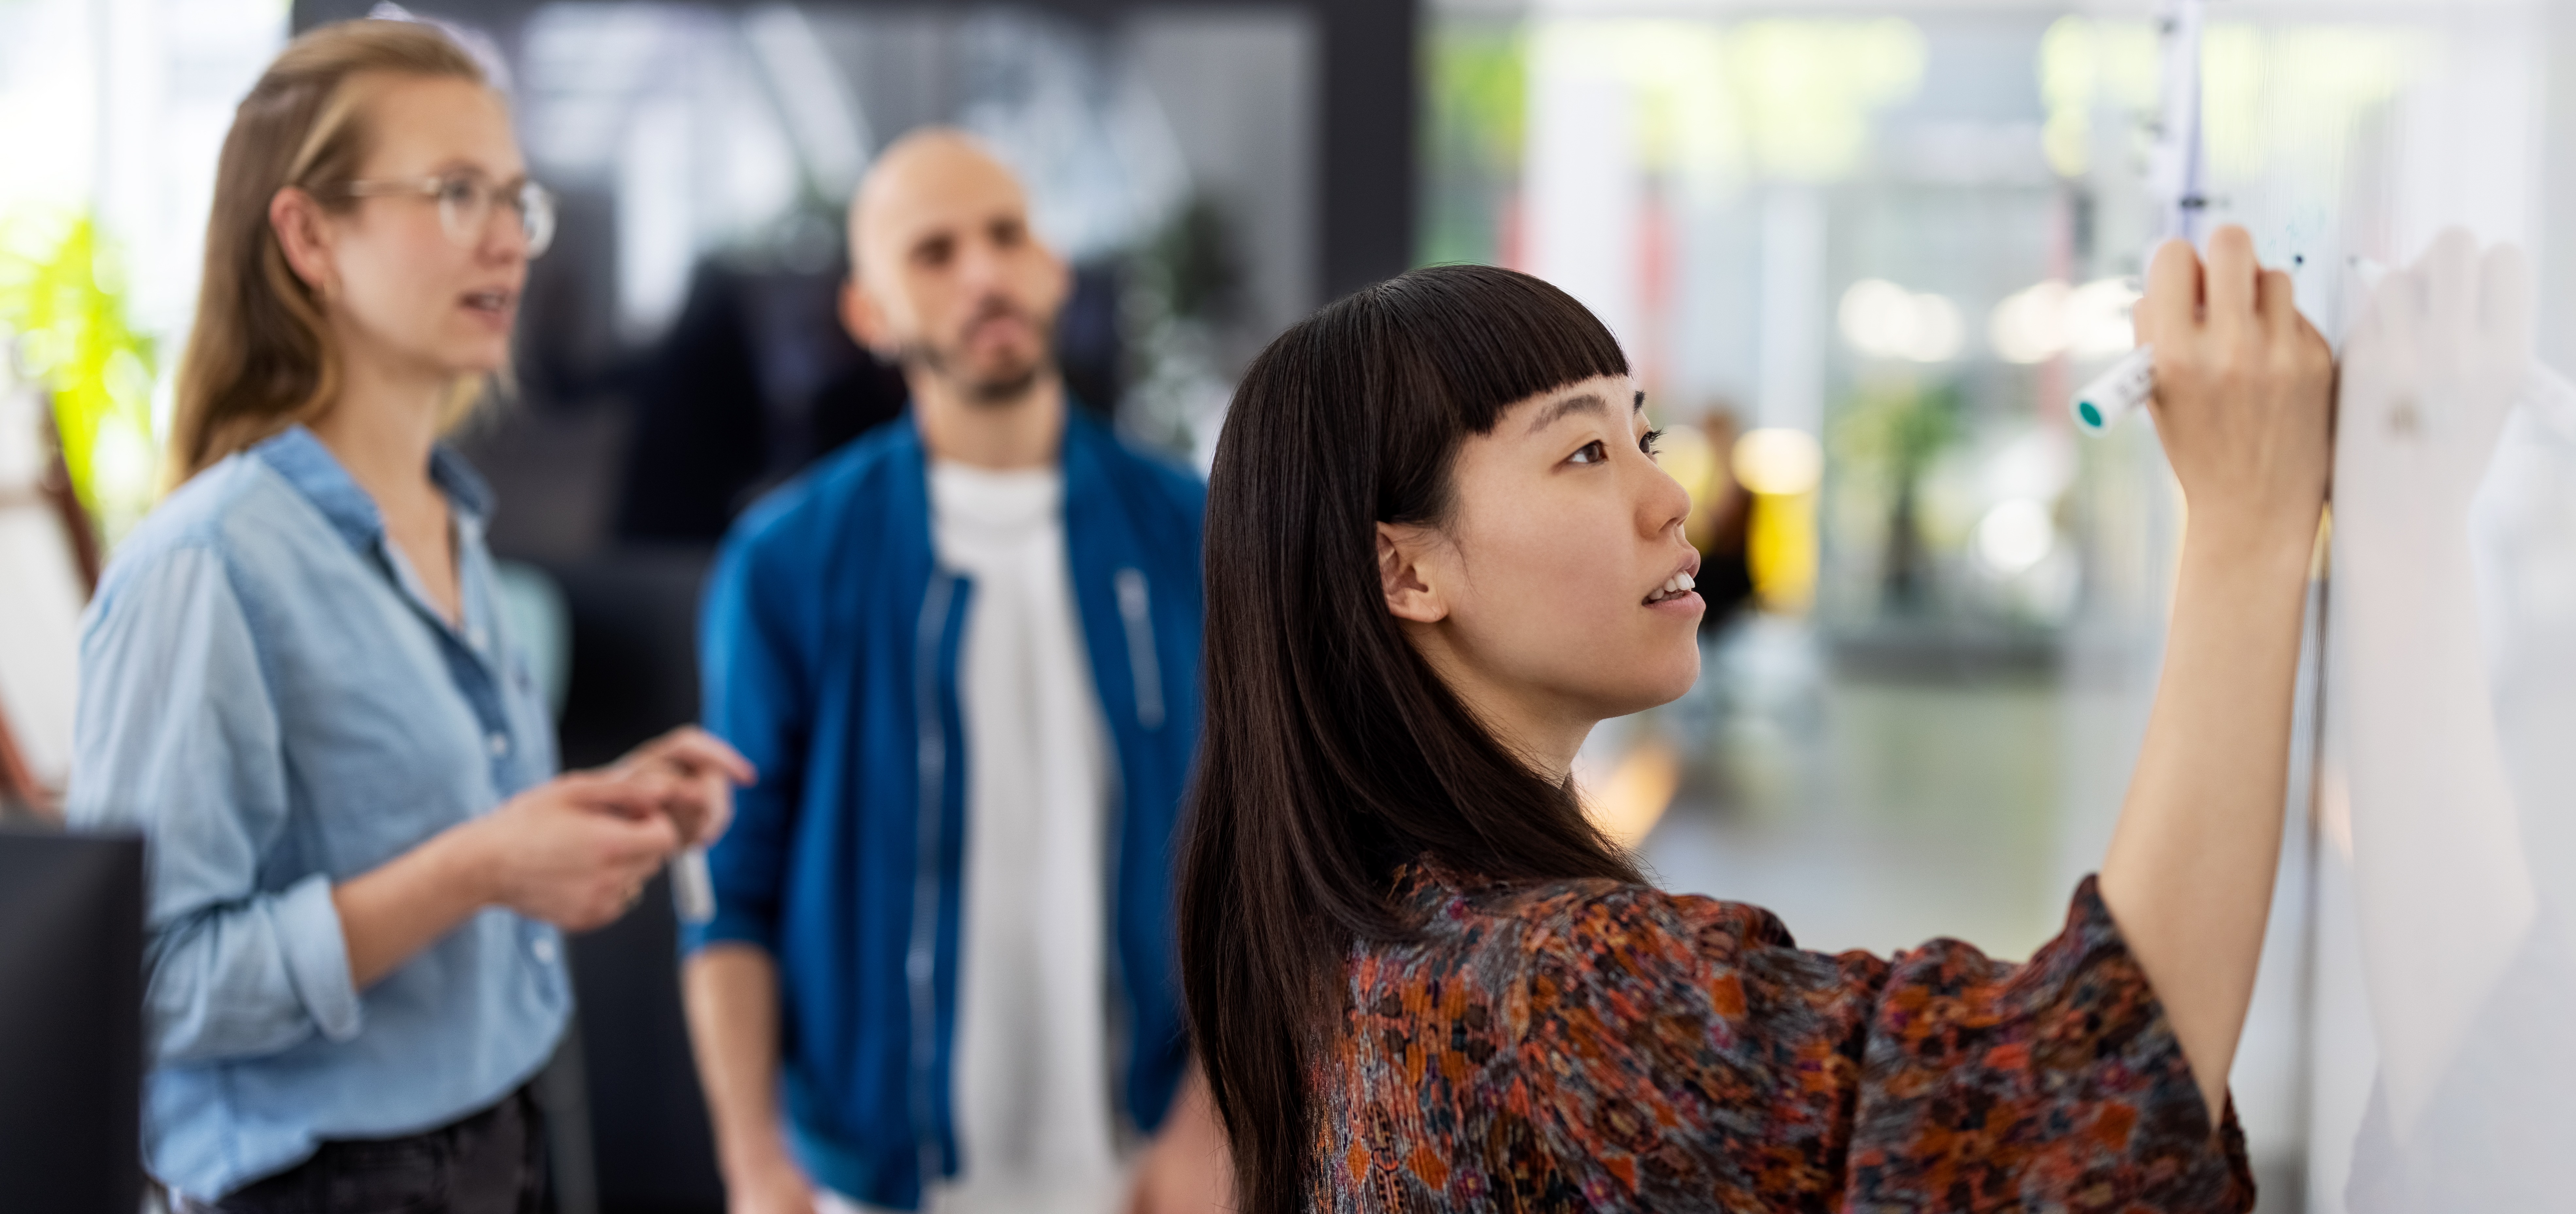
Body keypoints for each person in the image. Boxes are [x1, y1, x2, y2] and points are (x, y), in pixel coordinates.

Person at [1177, 230, 2333, 1212]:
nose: (1670, 495)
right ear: (1407, 571)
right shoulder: (1553, 987)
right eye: (1584, 452)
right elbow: (2085, 1104)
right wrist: (2248, 526)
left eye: (1644, 438)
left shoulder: (1355, 939)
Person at [64, 19, 751, 1214]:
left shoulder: (449, 522)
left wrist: (594, 813)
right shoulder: (209, 563)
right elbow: (147, 983)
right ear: (309, 236)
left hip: (502, 1145)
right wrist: (481, 865)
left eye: (516, 200)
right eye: (454, 192)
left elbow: (427, 837)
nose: (509, 239)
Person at [681, 129, 1225, 1214]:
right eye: (934, 252)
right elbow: (729, 888)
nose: (983, 272)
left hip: (1149, 1169)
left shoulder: (1195, 532)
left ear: (1053, 267)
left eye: (1007, 236)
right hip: (870, 1182)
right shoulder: (787, 561)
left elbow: (1274, 858)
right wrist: (753, 1163)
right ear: (869, 313)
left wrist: (1213, 1123)